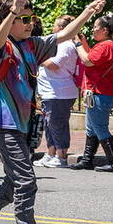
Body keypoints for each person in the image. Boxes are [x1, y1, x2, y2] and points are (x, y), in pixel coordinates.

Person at [0, 0, 104, 224]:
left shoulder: (33, 45)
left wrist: (88, 12)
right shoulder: (0, 46)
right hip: (2, 122)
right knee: (26, 179)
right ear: (10, 19)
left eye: (31, 18)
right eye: (23, 19)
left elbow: (63, 36)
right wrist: (11, 14)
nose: (29, 23)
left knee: (13, 180)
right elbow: (1, 38)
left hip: (23, 123)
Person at [72, 13, 113, 172]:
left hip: (100, 92)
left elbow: (87, 60)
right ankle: (87, 159)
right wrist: (84, 42)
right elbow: (91, 57)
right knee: (91, 128)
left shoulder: (105, 46)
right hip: (99, 92)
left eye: (95, 27)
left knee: (100, 127)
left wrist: (78, 45)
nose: (93, 30)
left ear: (105, 30)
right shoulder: (106, 45)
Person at [33, 15, 79, 168]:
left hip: (60, 92)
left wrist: (38, 56)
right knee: (49, 124)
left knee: (58, 124)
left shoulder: (66, 45)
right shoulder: (58, 44)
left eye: (54, 25)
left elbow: (54, 65)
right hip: (49, 92)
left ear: (61, 29)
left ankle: (61, 156)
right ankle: (51, 153)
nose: (52, 28)